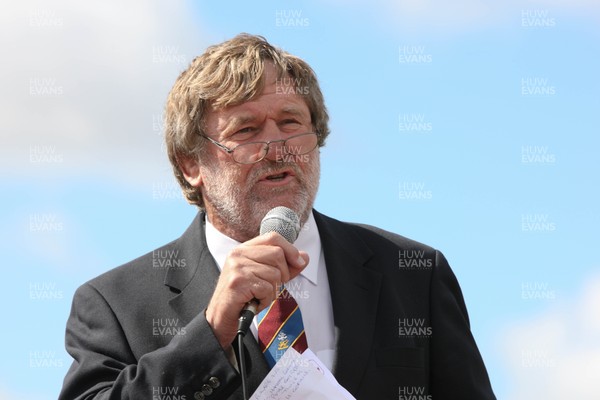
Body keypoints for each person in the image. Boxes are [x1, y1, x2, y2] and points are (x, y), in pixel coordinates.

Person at [59, 33, 496, 400]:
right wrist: (210, 334)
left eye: (291, 123)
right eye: (246, 130)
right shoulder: (114, 305)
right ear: (192, 165)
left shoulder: (414, 275)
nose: (277, 147)